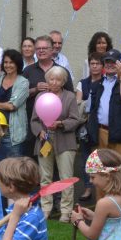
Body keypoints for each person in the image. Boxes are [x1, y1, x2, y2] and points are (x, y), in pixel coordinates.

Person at [29, 66, 83, 222]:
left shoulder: (69, 97)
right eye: (51, 79)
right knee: (45, 177)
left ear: (63, 81)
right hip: (44, 141)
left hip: (65, 142)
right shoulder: (41, 96)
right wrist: (39, 131)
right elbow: (34, 120)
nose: (54, 82)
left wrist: (60, 123)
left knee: (66, 178)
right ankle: (46, 208)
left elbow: (75, 120)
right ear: (47, 80)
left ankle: (66, 211)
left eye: (58, 79)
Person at [84, 49, 121, 181]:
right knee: (101, 172)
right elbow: (91, 109)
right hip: (101, 132)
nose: (109, 64)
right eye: (107, 61)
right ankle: (103, 201)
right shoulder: (97, 84)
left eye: (113, 62)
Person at [0, 49, 28, 156]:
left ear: (17, 64)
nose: (8, 65)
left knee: (13, 168)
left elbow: (11, 106)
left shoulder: (23, 82)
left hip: (12, 132)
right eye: (6, 62)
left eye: (11, 62)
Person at [77, 52, 106, 202]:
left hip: (99, 125)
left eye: (97, 64)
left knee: (100, 159)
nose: (94, 66)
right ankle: (88, 188)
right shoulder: (82, 83)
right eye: (92, 64)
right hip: (84, 125)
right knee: (85, 158)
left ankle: (101, 189)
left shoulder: (106, 82)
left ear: (102, 66)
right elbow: (78, 103)